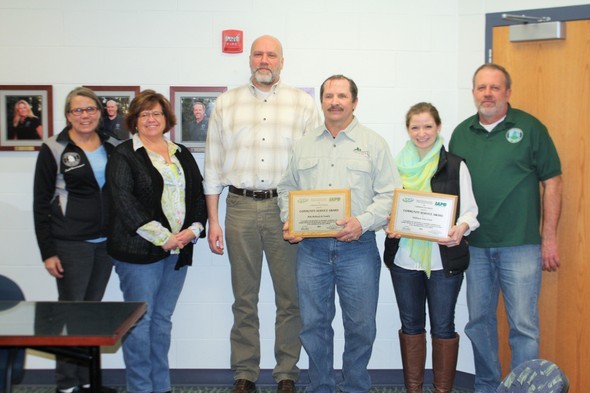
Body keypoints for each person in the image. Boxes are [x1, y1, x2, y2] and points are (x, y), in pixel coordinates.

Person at [203, 35, 322, 393]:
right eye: (258, 54)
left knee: (290, 297)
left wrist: (305, 217)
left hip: (285, 208)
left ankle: (287, 372)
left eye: (271, 54)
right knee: (244, 297)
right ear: (250, 60)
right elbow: (212, 164)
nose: (264, 60)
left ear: (282, 61)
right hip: (238, 207)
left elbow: (312, 164)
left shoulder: (303, 104)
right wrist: (213, 220)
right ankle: (245, 372)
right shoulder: (227, 103)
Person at [277, 74, 400, 393]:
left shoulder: (374, 144)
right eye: (329, 96)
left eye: (342, 96)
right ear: (321, 102)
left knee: (361, 326)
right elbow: (287, 187)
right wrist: (289, 219)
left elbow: (390, 194)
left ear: (354, 102)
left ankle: (356, 386)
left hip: (358, 249)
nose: (335, 101)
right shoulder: (304, 144)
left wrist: (362, 220)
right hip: (312, 252)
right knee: (314, 326)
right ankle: (321, 386)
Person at [449, 63, 563, 393]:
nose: (488, 94)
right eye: (481, 88)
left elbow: (552, 182)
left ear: (508, 93)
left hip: (522, 246)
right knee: (479, 323)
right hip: (476, 247)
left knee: (523, 327)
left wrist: (549, 237)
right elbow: (450, 189)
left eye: (495, 87)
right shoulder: (461, 133)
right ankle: (487, 385)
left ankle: (524, 389)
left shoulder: (530, 128)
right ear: (473, 93)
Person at [106, 89, 207, 393]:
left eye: (157, 113)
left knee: (162, 321)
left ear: (167, 119)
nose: (151, 119)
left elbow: (197, 196)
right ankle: (140, 388)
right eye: (144, 114)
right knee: (140, 324)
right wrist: (163, 238)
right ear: (134, 120)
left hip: (177, 252)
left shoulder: (181, 153)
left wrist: (195, 229)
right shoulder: (124, 154)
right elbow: (124, 202)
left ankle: (160, 387)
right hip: (138, 253)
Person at [383, 102, 479, 393]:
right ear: (407, 130)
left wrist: (460, 229)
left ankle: (441, 390)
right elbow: (388, 205)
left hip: (442, 259)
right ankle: (413, 389)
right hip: (404, 258)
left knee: (442, 326)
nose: (421, 133)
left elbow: (470, 212)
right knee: (410, 325)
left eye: (427, 126)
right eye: (415, 127)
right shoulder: (396, 166)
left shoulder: (455, 164)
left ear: (438, 127)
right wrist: (389, 220)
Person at [33, 87, 118, 393]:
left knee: (91, 312)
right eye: (77, 110)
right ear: (68, 115)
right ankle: (66, 384)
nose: (85, 116)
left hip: (105, 243)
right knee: (71, 312)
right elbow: (40, 203)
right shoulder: (53, 148)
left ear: (99, 112)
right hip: (70, 244)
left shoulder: (112, 145)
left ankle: (85, 380)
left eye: (90, 109)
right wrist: (48, 252)